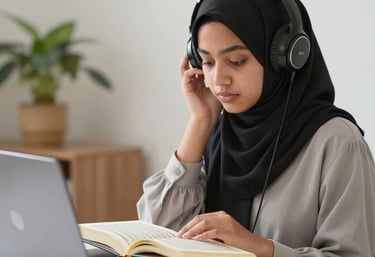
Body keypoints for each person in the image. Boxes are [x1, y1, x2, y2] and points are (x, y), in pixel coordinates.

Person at [137, 0, 375, 257]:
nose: (218, 80)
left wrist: (261, 248)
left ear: (285, 58)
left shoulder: (339, 144)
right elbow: (157, 235)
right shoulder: (218, 133)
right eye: (207, 62)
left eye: (237, 61)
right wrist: (200, 122)